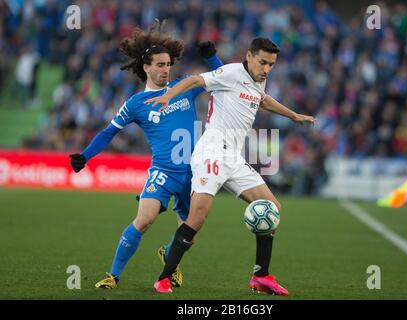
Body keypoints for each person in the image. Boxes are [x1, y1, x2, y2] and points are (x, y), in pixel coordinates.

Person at [147, 37, 316, 294]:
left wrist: (293, 115)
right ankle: (164, 277)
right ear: (248, 56)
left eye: (271, 64)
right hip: (212, 152)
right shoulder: (229, 73)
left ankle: (261, 276)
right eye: (263, 62)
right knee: (197, 218)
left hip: (233, 157)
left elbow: (263, 99)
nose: (267, 69)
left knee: (272, 208)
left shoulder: (259, 79)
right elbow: (194, 80)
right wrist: (167, 96)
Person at [69, 21, 223, 289]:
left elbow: (220, 77)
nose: (166, 70)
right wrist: (85, 156)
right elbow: (108, 132)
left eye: (168, 64)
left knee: (191, 235)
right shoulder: (135, 104)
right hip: (163, 172)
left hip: (194, 174)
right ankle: (113, 275)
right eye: (160, 65)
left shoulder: (184, 87)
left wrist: (212, 57)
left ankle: (169, 254)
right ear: (146, 67)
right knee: (144, 219)